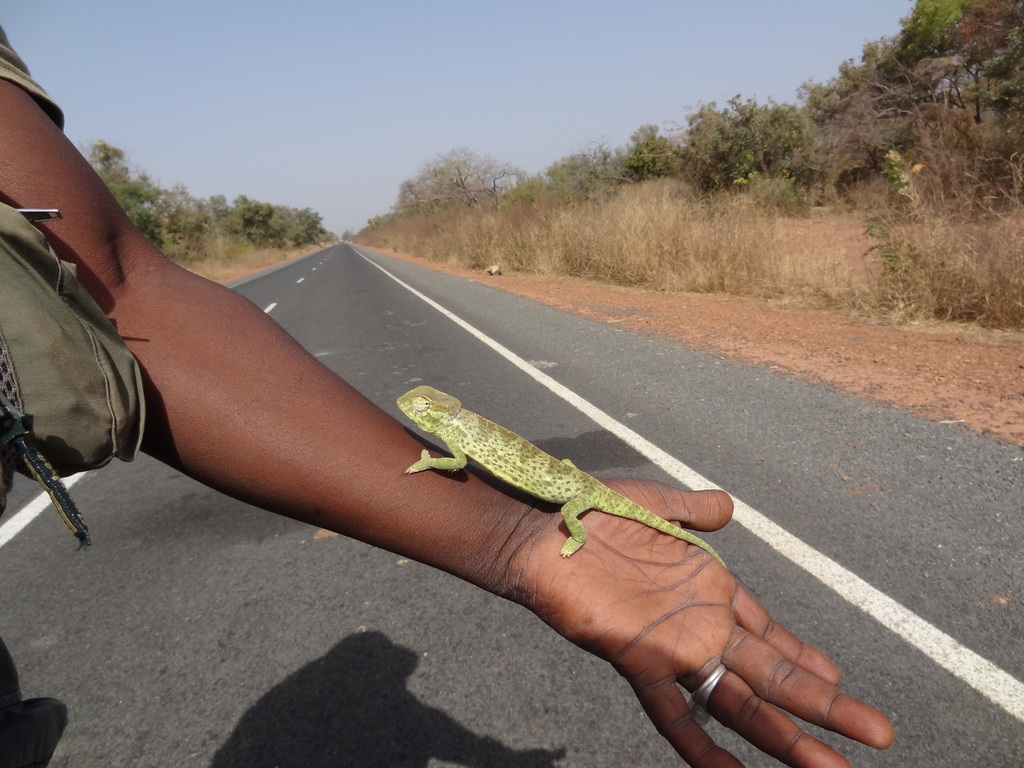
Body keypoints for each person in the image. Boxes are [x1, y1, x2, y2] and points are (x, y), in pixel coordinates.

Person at [0, 26, 894, 768]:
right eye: (426, 418)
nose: (424, 421)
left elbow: (122, 287)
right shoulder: (457, 437)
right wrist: (499, 503)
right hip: (557, 495)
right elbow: (462, 452)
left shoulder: (463, 443)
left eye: (429, 415)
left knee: (568, 492)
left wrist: (538, 533)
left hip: (565, 502)